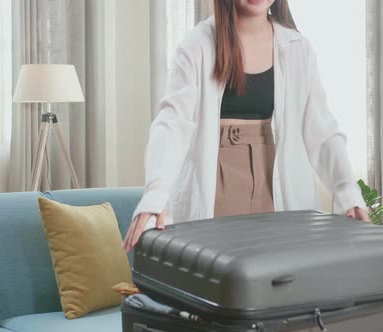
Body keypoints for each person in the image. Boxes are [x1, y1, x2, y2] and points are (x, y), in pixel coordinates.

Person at [123, 0, 369, 252]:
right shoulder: (197, 44)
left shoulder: (298, 48)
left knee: (279, 272)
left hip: (272, 176)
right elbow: (172, 123)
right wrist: (156, 193)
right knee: (219, 274)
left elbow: (323, 131)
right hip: (215, 176)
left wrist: (347, 191)